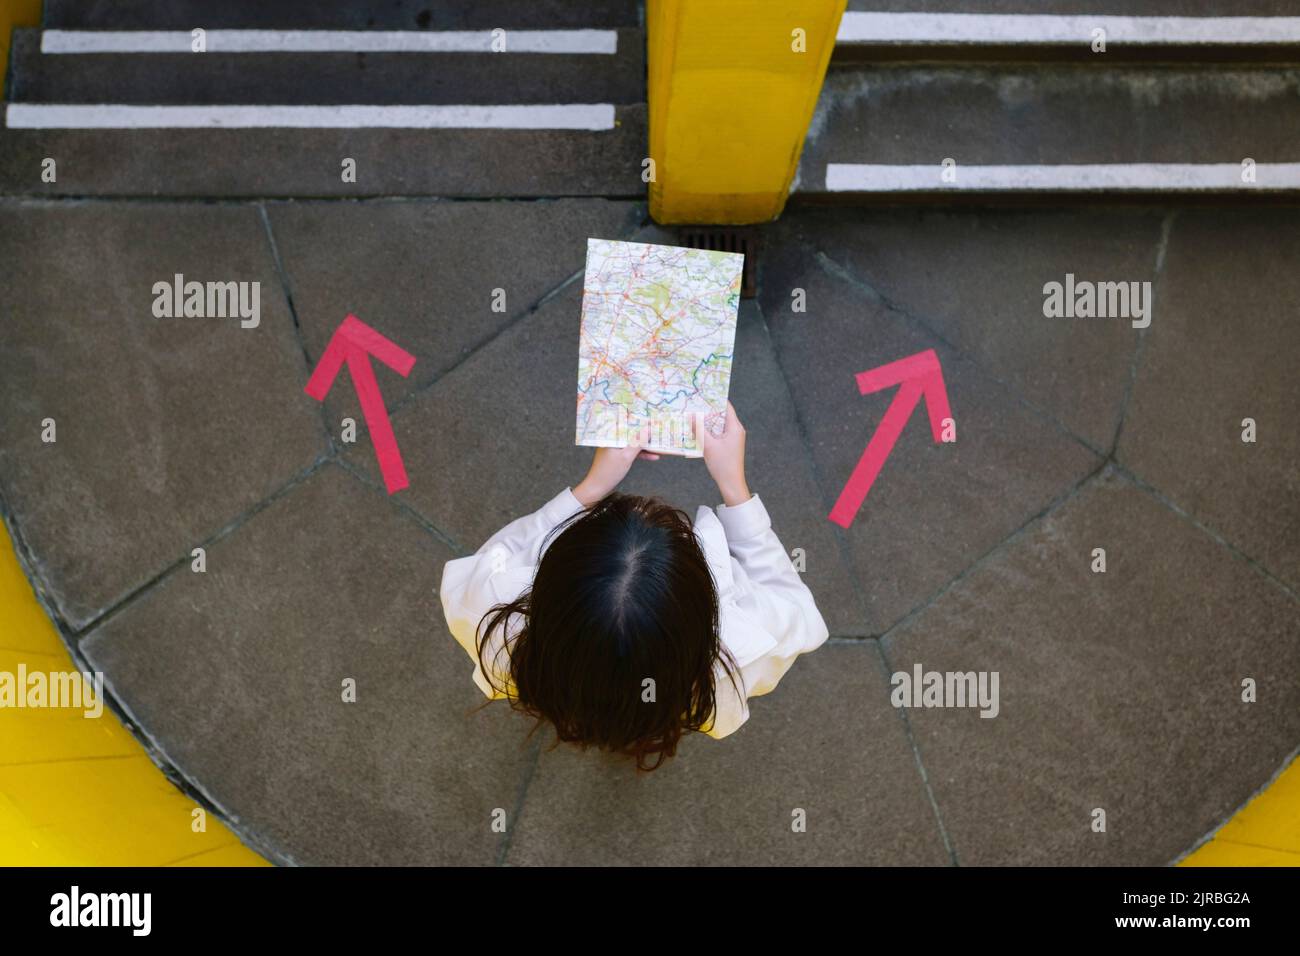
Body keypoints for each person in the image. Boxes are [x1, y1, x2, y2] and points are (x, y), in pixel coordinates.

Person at [439, 401, 829, 770]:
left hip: (563, 691)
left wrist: (590, 487)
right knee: (645, 717)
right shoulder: (742, 647)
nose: (641, 505)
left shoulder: (492, 610)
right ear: (702, 605)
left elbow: (503, 552)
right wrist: (735, 488)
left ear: (548, 585)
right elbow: (794, 606)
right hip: (666, 707)